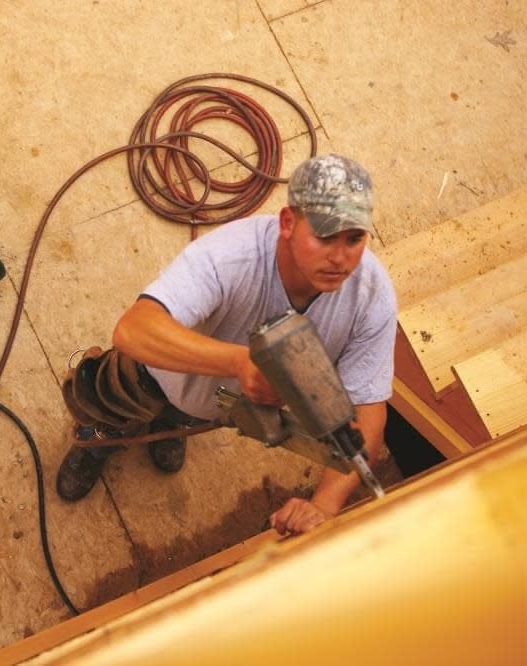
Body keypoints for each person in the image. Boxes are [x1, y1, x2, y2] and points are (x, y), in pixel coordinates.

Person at [55, 154, 397, 536]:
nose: (340, 257)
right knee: (113, 402)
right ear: (288, 223)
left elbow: (367, 413)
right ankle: (99, 439)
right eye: (324, 236)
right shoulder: (231, 257)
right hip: (157, 373)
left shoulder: (371, 297)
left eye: (354, 238)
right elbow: (133, 331)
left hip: (220, 404)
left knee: (185, 415)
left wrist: (323, 506)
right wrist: (239, 362)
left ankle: (174, 423)